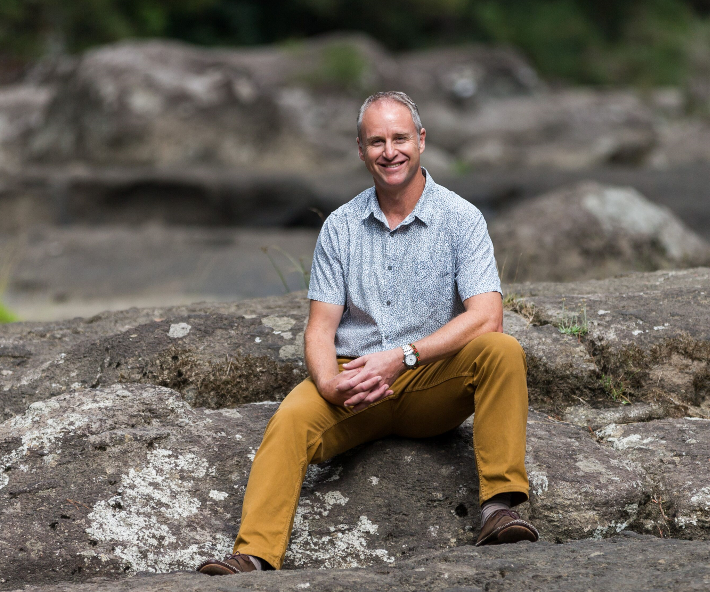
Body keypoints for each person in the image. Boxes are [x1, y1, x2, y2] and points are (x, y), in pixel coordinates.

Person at [197, 91, 536, 576]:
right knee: (290, 418)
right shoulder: (340, 226)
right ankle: (253, 555)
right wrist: (328, 383)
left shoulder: (462, 218)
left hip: (429, 383)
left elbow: (487, 317)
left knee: (501, 350)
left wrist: (403, 357)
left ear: (421, 141)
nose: (389, 151)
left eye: (400, 137)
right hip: (354, 385)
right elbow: (319, 329)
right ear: (361, 150)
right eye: (376, 141)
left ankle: (499, 509)